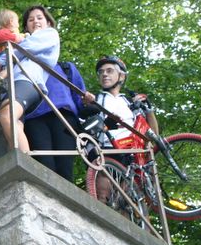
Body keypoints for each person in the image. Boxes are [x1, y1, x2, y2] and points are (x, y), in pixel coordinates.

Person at [88, 55, 159, 202]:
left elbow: (153, 134)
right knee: (102, 196)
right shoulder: (95, 100)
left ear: (121, 76)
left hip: (131, 155)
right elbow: (86, 128)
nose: (104, 74)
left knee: (128, 202)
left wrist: (149, 110)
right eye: (101, 72)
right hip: (105, 151)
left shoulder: (129, 103)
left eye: (109, 71)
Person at [0, 5, 60, 152]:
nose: (35, 21)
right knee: (14, 125)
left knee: (7, 115)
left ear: (48, 22)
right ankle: (17, 166)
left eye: (39, 18)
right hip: (13, 83)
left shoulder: (49, 34)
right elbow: (11, 54)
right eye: (30, 19)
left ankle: (25, 165)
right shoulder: (20, 42)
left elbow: (26, 48)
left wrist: (1, 60)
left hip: (28, 80)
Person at [23, 62, 94, 182]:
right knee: (44, 164)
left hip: (64, 116)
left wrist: (87, 100)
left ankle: (65, 199)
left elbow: (79, 99)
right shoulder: (24, 63)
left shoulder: (65, 67)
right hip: (34, 118)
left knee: (65, 166)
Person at [0, 9, 27, 99]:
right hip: (3, 54)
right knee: (9, 68)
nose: (18, 25)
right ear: (11, 21)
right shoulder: (2, 32)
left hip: (0, 57)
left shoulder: (4, 32)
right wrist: (19, 37)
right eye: (17, 22)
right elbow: (3, 37)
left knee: (7, 72)